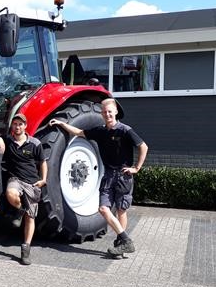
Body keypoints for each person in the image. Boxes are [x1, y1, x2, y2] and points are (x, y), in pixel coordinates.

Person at [49, 98, 148, 257]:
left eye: (110, 111)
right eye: (104, 112)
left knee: (121, 211)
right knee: (103, 208)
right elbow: (79, 132)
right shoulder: (100, 131)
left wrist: (136, 168)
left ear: (115, 112)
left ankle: (120, 244)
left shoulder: (125, 130)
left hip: (123, 176)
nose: (107, 114)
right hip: (108, 174)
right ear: (102, 113)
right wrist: (62, 124)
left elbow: (143, 146)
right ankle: (126, 240)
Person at [0, 113, 47, 265]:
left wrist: (43, 180)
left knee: (30, 219)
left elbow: (43, 162)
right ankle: (21, 210)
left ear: (25, 126)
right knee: (11, 194)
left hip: (32, 183)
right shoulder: (8, 140)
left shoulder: (35, 143)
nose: (17, 127)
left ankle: (26, 249)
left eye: (20, 124)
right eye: (15, 124)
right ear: (12, 126)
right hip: (16, 180)